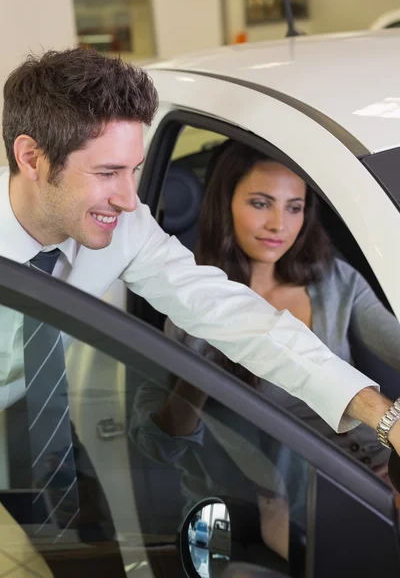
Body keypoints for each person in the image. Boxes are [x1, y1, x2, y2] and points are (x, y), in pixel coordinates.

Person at [0, 48, 400, 556]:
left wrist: (385, 417)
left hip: (52, 437)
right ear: (32, 157)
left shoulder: (124, 226)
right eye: (107, 172)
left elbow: (238, 318)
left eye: (134, 170)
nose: (129, 198)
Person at [131, 140, 400, 559]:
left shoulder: (332, 280)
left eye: (294, 207)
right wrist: (200, 370)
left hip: (384, 472)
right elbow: (162, 444)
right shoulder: (192, 307)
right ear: (226, 204)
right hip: (292, 503)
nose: (279, 224)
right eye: (261, 203)